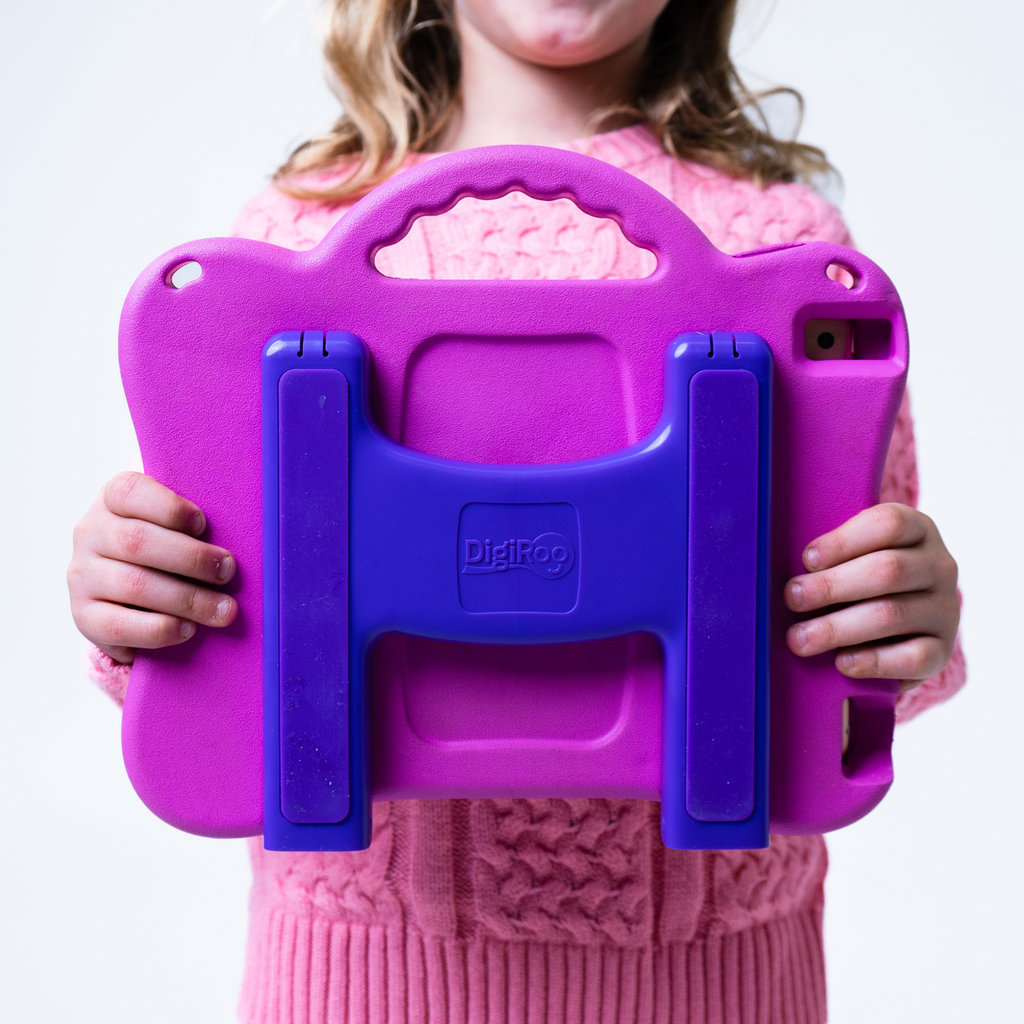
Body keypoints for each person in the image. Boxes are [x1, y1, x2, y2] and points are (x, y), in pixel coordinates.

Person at [67, 2, 965, 1021]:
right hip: (361, 979)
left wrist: (906, 617)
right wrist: (138, 595)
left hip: (717, 980)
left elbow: (857, 649)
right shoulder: (290, 245)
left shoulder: (781, 246)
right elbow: (224, 640)